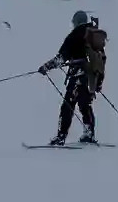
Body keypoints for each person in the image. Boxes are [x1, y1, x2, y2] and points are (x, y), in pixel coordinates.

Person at [38, 9, 108, 145]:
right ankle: (89, 133)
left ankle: (61, 136)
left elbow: (61, 58)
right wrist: (99, 82)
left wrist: (46, 67)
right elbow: (100, 61)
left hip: (79, 75)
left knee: (67, 106)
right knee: (85, 105)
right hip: (92, 77)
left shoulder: (74, 35)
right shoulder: (94, 36)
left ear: (76, 22)